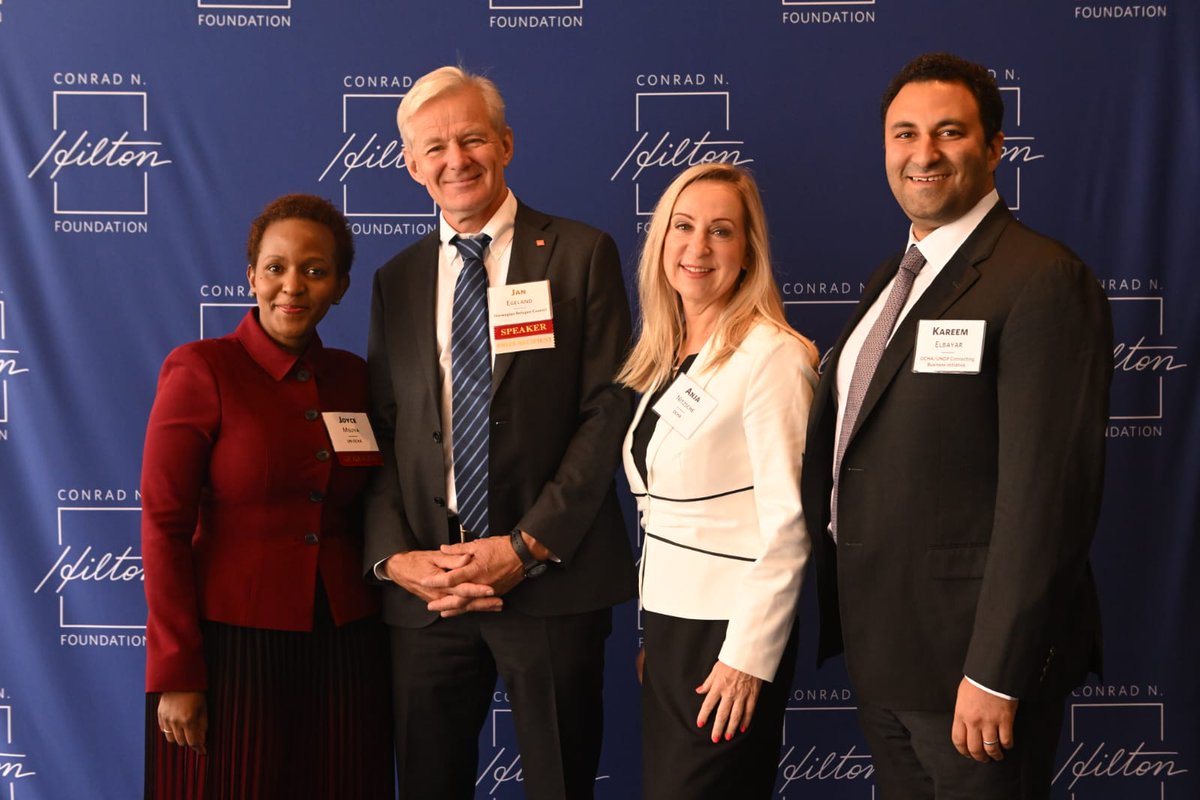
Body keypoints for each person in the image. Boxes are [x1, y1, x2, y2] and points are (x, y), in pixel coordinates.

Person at [801, 52, 1113, 799]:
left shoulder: (1040, 279)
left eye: (949, 132)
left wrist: (996, 669)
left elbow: (1048, 497)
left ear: (995, 146)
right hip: (888, 656)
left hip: (972, 669)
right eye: (904, 134)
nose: (923, 153)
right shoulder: (893, 277)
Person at [363, 66, 635, 799]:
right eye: (436, 146)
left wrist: (527, 546)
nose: (457, 159)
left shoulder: (581, 254)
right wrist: (398, 560)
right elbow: (385, 433)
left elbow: (607, 409)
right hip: (432, 593)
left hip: (550, 578)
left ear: (506, 144)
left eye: (473, 138)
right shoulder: (397, 278)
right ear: (411, 164)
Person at [141, 194, 393, 799]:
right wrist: (176, 672)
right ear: (251, 276)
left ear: (341, 285)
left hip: (345, 645)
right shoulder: (201, 368)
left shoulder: (355, 377)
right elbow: (163, 526)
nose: (293, 286)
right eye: (276, 268)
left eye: (315, 270)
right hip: (230, 649)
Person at [617, 163, 818, 798]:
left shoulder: (773, 356)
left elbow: (790, 525)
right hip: (674, 631)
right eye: (683, 226)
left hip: (730, 636)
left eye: (721, 231)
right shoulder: (665, 357)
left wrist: (746, 657)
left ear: (748, 251)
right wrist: (657, 634)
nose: (697, 247)